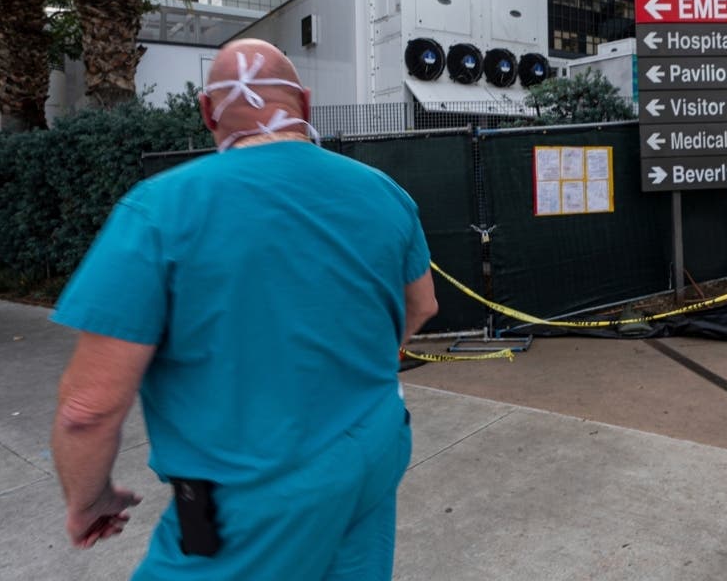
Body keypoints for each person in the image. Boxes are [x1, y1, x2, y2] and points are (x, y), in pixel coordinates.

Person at [51, 38, 438, 580]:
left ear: (208, 112)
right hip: (372, 453)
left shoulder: (159, 210)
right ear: (304, 104)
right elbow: (421, 305)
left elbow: (87, 409)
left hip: (247, 503)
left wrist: (87, 501)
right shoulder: (383, 193)